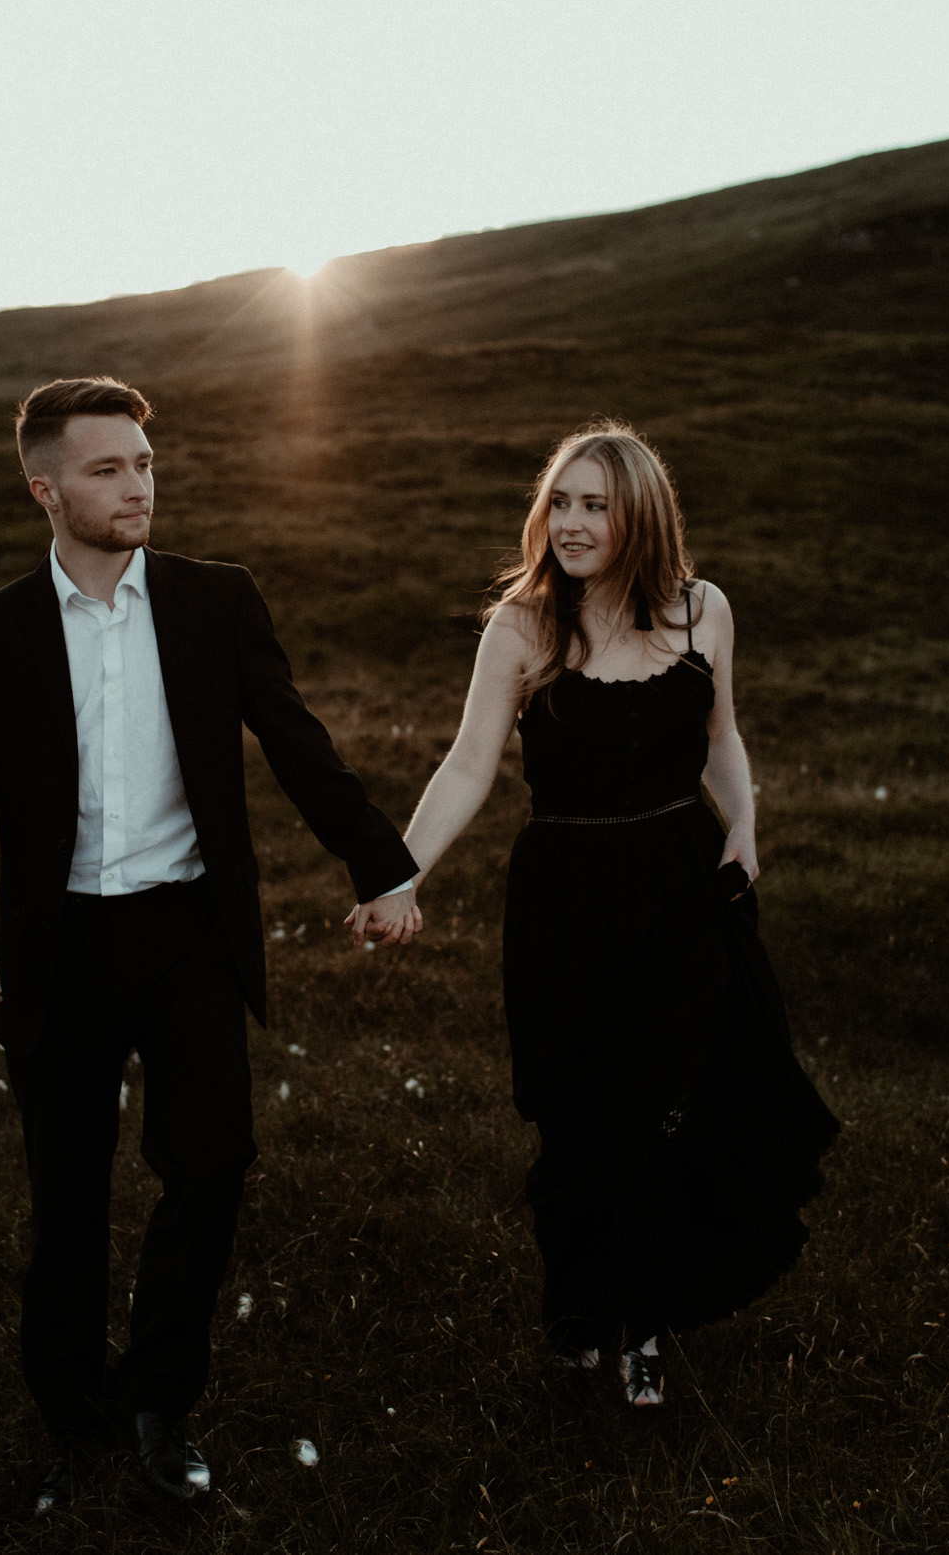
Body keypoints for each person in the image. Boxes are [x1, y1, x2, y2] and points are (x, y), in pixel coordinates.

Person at [0, 377, 420, 1512]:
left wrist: (381, 864)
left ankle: (160, 1400)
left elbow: (297, 743)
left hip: (187, 931)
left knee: (209, 1166)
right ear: (45, 489)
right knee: (70, 1196)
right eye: (108, 469)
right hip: (56, 948)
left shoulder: (213, 601)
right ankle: (73, 1420)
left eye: (144, 463)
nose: (137, 485)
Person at [394, 420, 838, 1406]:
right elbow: (468, 764)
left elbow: (721, 733)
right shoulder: (520, 626)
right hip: (566, 897)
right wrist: (403, 872)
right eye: (562, 501)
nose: (574, 522)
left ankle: (644, 1320)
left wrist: (746, 822)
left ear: (642, 515)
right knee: (578, 1114)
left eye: (597, 504)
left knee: (663, 1110)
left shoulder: (702, 611)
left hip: (681, 886)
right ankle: (585, 1306)